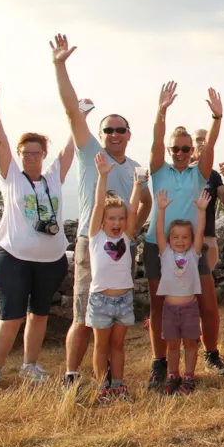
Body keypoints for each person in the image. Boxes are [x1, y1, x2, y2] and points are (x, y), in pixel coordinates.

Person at [50, 34, 152, 388]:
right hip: (88, 243)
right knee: (83, 316)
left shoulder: (135, 166)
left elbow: (145, 201)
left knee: (114, 320)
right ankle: (72, 375)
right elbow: (69, 111)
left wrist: (137, 224)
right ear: (100, 133)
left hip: (122, 246)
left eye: (120, 130)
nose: (113, 134)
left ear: (129, 134)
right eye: (108, 129)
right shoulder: (89, 152)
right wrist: (59, 66)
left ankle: (109, 379)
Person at [0, 78, 75, 392]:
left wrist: (79, 115)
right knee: (12, 316)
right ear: (19, 154)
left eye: (36, 153)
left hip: (51, 261)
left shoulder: (53, 177)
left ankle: (29, 365)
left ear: (44, 154)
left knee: (39, 314)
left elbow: (73, 143)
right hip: (15, 260)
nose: (30, 157)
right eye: (25, 153)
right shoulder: (12, 179)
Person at [143, 82, 223, 390]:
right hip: (157, 245)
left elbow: (211, 147)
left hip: (192, 249)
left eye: (185, 149)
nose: (179, 153)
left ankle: (211, 354)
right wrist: (161, 111)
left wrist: (217, 119)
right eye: (175, 148)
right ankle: (160, 362)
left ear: (193, 151)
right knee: (159, 305)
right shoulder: (158, 170)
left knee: (207, 303)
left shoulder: (198, 173)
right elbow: (155, 140)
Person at [86, 153, 144, 403]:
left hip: (123, 299)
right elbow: (99, 204)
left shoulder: (125, 237)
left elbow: (132, 210)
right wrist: (103, 176)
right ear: (102, 221)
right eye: (111, 218)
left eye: (120, 218)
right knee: (101, 345)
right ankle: (102, 388)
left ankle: (118, 385)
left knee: (118, 345)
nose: (117, 222)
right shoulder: (96, 237)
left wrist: (138, 185)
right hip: (100, 300)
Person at [154, 188, 210, 395]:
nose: (180, 241)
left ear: (191, 239)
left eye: (185, 237)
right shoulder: (165, 253)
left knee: (190, 344)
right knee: (172, 345)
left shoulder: (194, 254)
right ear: (169, 239)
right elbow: (159, 232)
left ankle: (188, 376)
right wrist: (160, 210)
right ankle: (172, 375)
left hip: (189, 308)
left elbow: (201, 232)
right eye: (175, 237)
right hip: (170, 309)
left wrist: (201, 212)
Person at [190, 128, 224, 375]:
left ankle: (210, 353)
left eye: (205, 139)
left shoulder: (213, 175)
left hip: (207, 240)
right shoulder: (180, 172)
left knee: (207, 302)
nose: (201, 144)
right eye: (198, 140)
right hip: (181, 242)